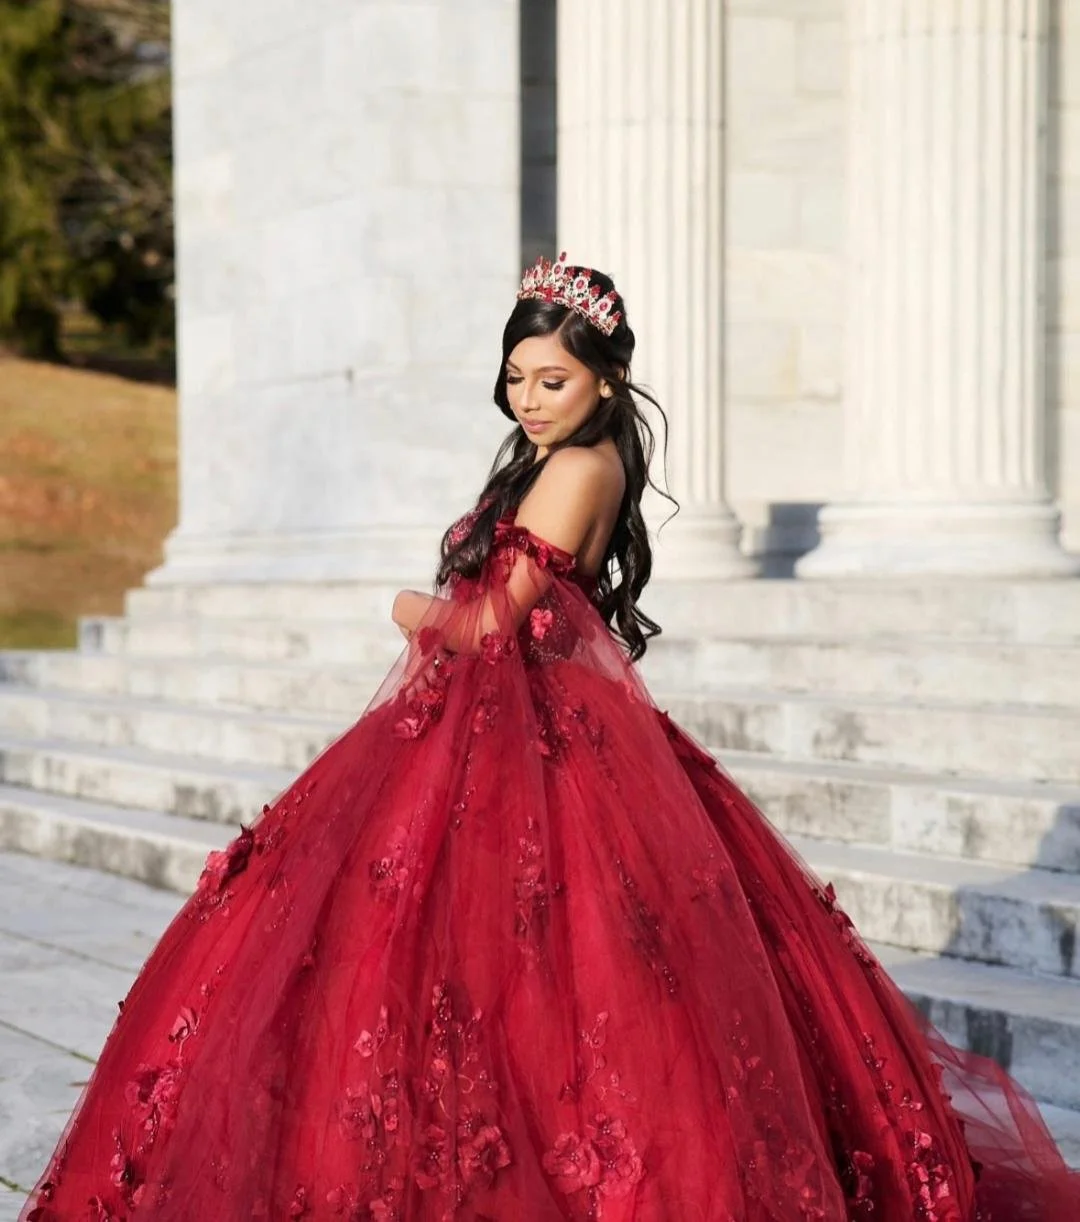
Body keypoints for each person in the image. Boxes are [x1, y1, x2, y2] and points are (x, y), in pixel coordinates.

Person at [19, 254, 1080, 1222]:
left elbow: (488, 623)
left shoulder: (582, 468)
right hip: (486, 727)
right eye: (517, 377)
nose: (528, 400)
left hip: (539, 736)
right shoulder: (549, 456)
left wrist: (405, 607)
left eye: (552, 381)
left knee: (547, 969)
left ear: (606, 382)